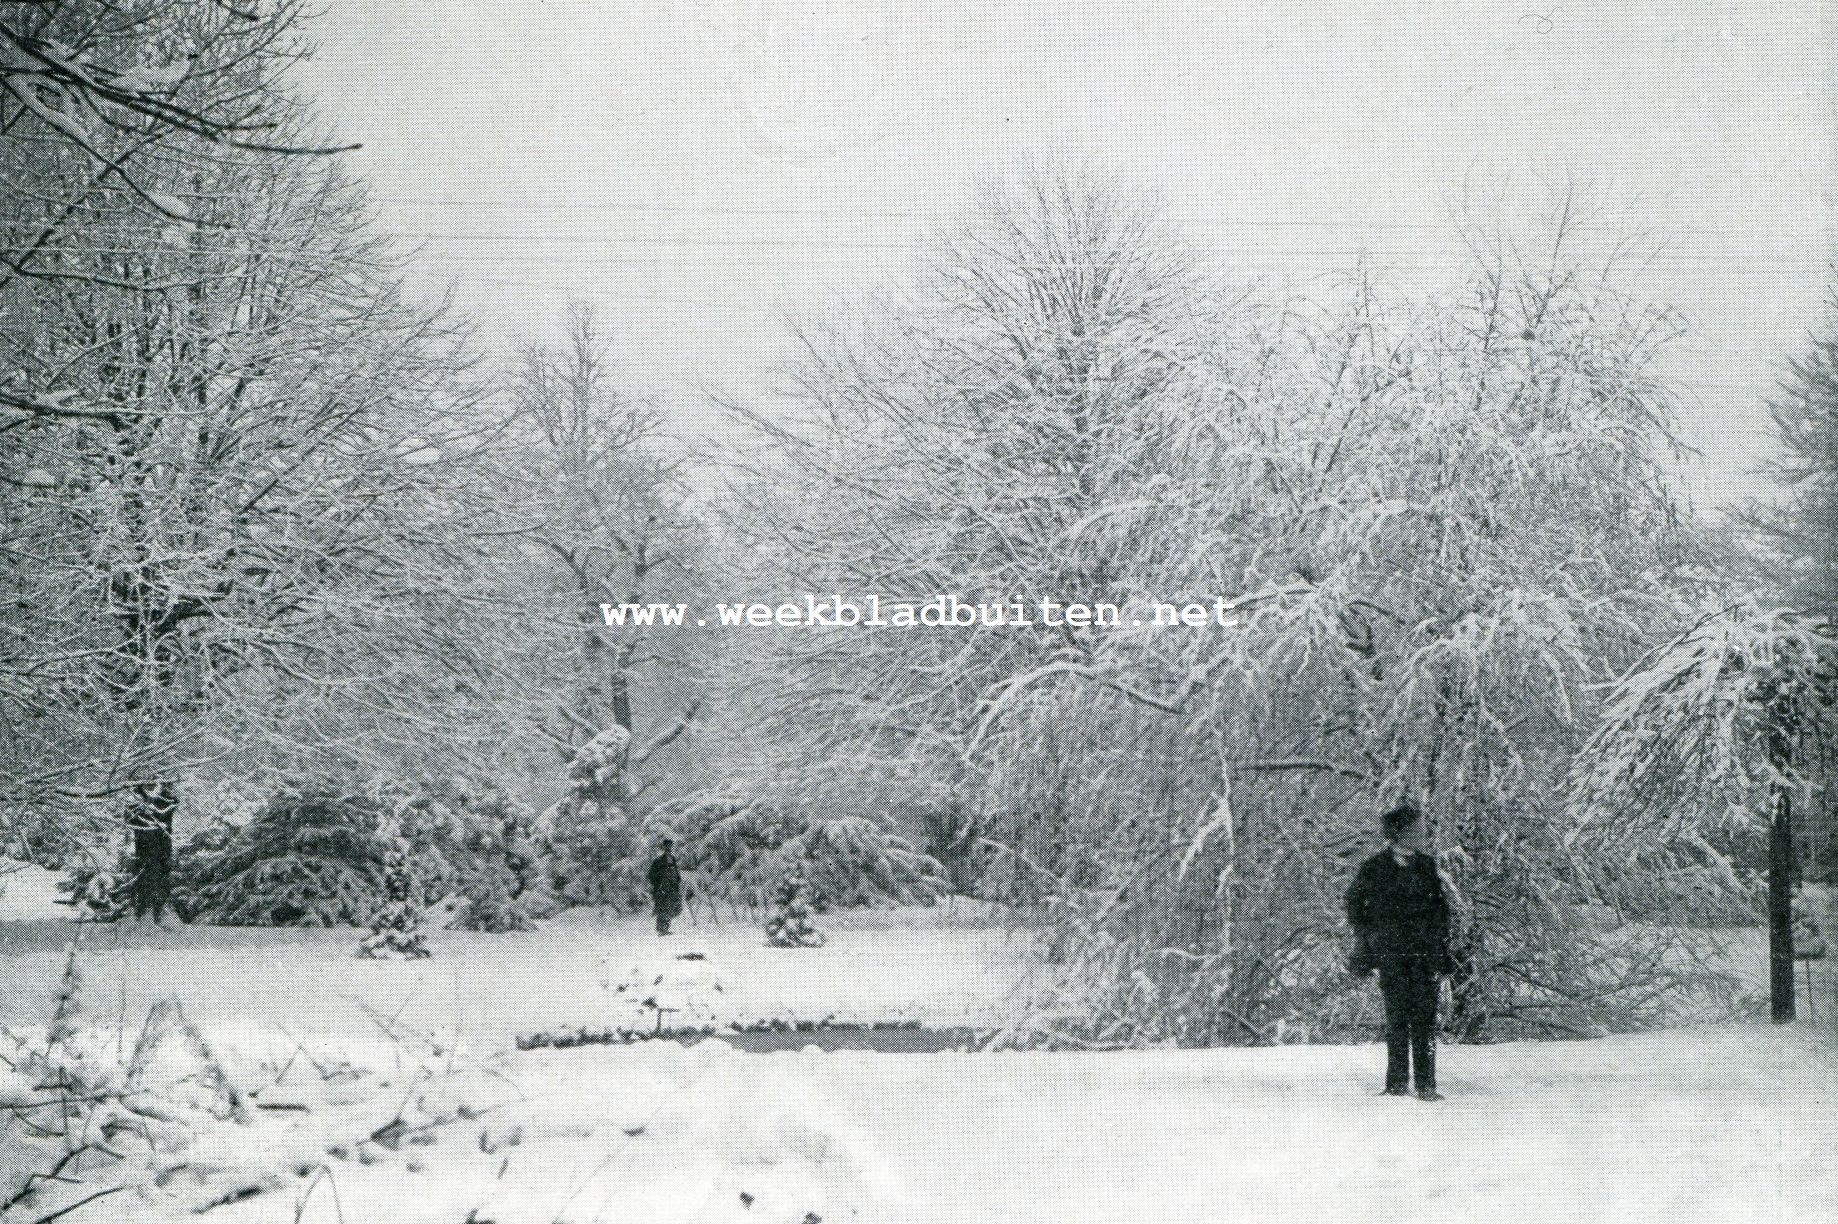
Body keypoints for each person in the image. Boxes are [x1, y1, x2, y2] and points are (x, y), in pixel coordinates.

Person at [1345, 802, 1454, 1101]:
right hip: (1391, 954)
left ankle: (1426, 1085)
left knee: (1426, 1019)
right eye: (1416, 830)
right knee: (1396, 1018)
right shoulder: (1374, 868)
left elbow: (1439, 910)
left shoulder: (1428, 866)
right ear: (1399, 833)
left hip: (1424, 953)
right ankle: (1396, 1083)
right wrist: (1372, 936)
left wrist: (1440, 944)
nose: (1422, 835)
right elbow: (1354, 905)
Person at [647, 838, 683, 936]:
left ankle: (666, 928)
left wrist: (677, 881)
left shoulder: (673, 858)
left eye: (670, 846)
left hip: (672, 887)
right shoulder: (658, 860)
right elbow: (651, 874)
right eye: (667, 846)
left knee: (671, 908)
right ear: (663, 847)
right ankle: (661, 929)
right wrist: (658, 884)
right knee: (662, 908)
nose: (669, 848)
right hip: (661, 888)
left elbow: (676, 872)